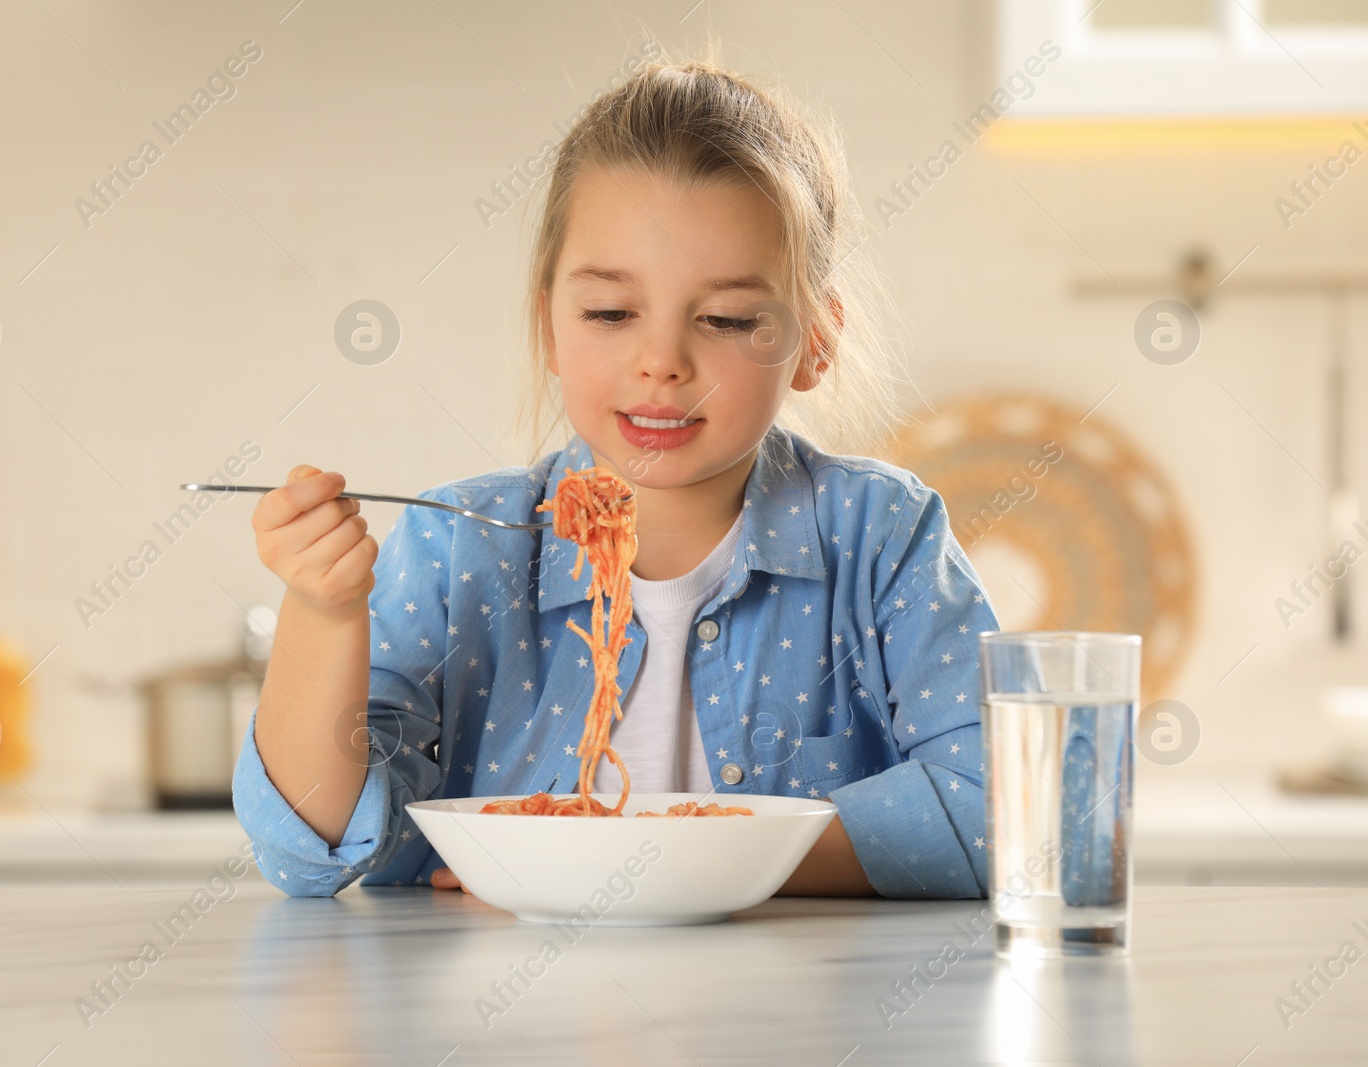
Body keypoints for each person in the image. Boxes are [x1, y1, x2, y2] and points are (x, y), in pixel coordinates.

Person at [234, 49, 999, 900]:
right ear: (549, 325)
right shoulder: (459, 545)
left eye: (726, 318)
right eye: (609, 312)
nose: (661, 362)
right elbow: (314, 847)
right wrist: (321, 614)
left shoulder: (881, 537)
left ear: (814, 340)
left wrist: (680, 861)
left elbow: (997, 805)